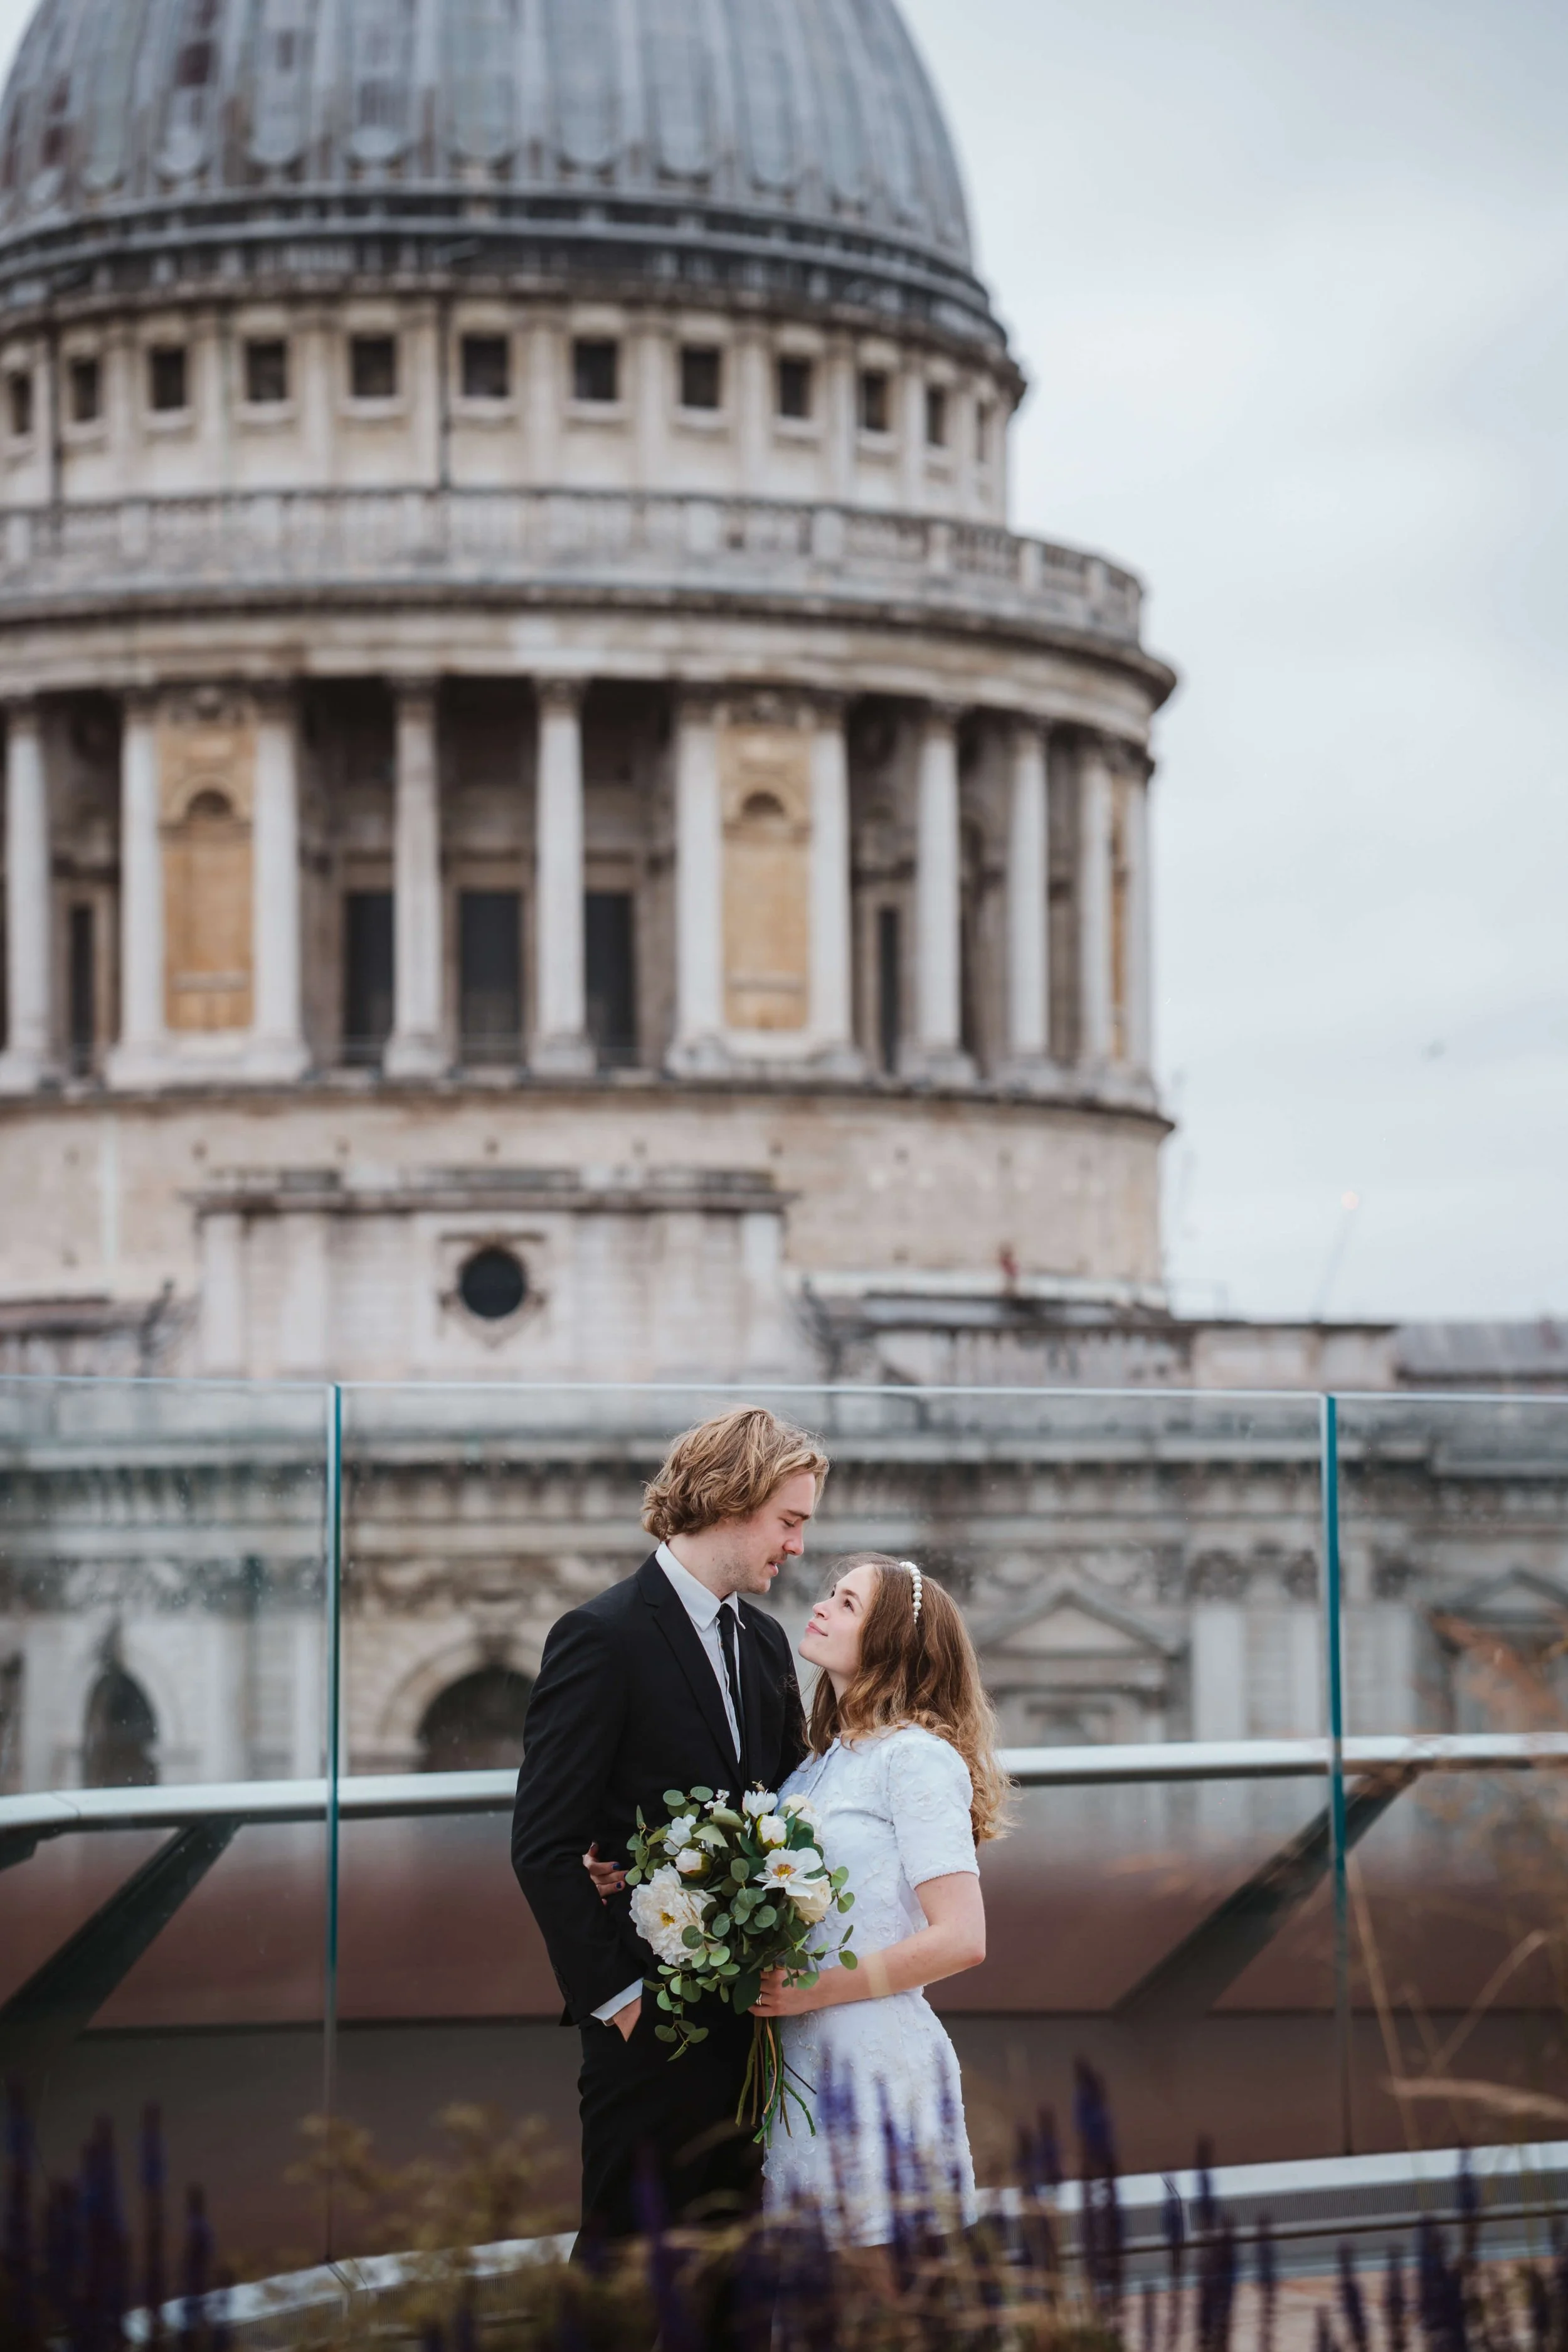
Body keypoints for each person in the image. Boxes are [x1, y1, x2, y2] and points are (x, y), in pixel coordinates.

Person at [511, 1405, 827, 2249]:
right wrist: (621, 2006)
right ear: (733, 1498)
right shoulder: (600, 1636)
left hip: (757, 2030)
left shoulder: (763, 1643)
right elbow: (543, 1844)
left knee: (735, 2285)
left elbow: (788, 1806)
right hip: (647, 2031)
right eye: (788, 1521)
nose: (796, 1546)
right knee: (618, 2284)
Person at [753, 1552, 1010, 2245]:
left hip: (870, 2061)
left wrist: (814, 1991)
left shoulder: (915, 1757)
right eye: (828, 1595)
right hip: (797, 2065)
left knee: (883, 2301)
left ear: (892, 1639)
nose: (820, 1607)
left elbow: (961, 1938)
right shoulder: (818, 1760)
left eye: (845, 1603)